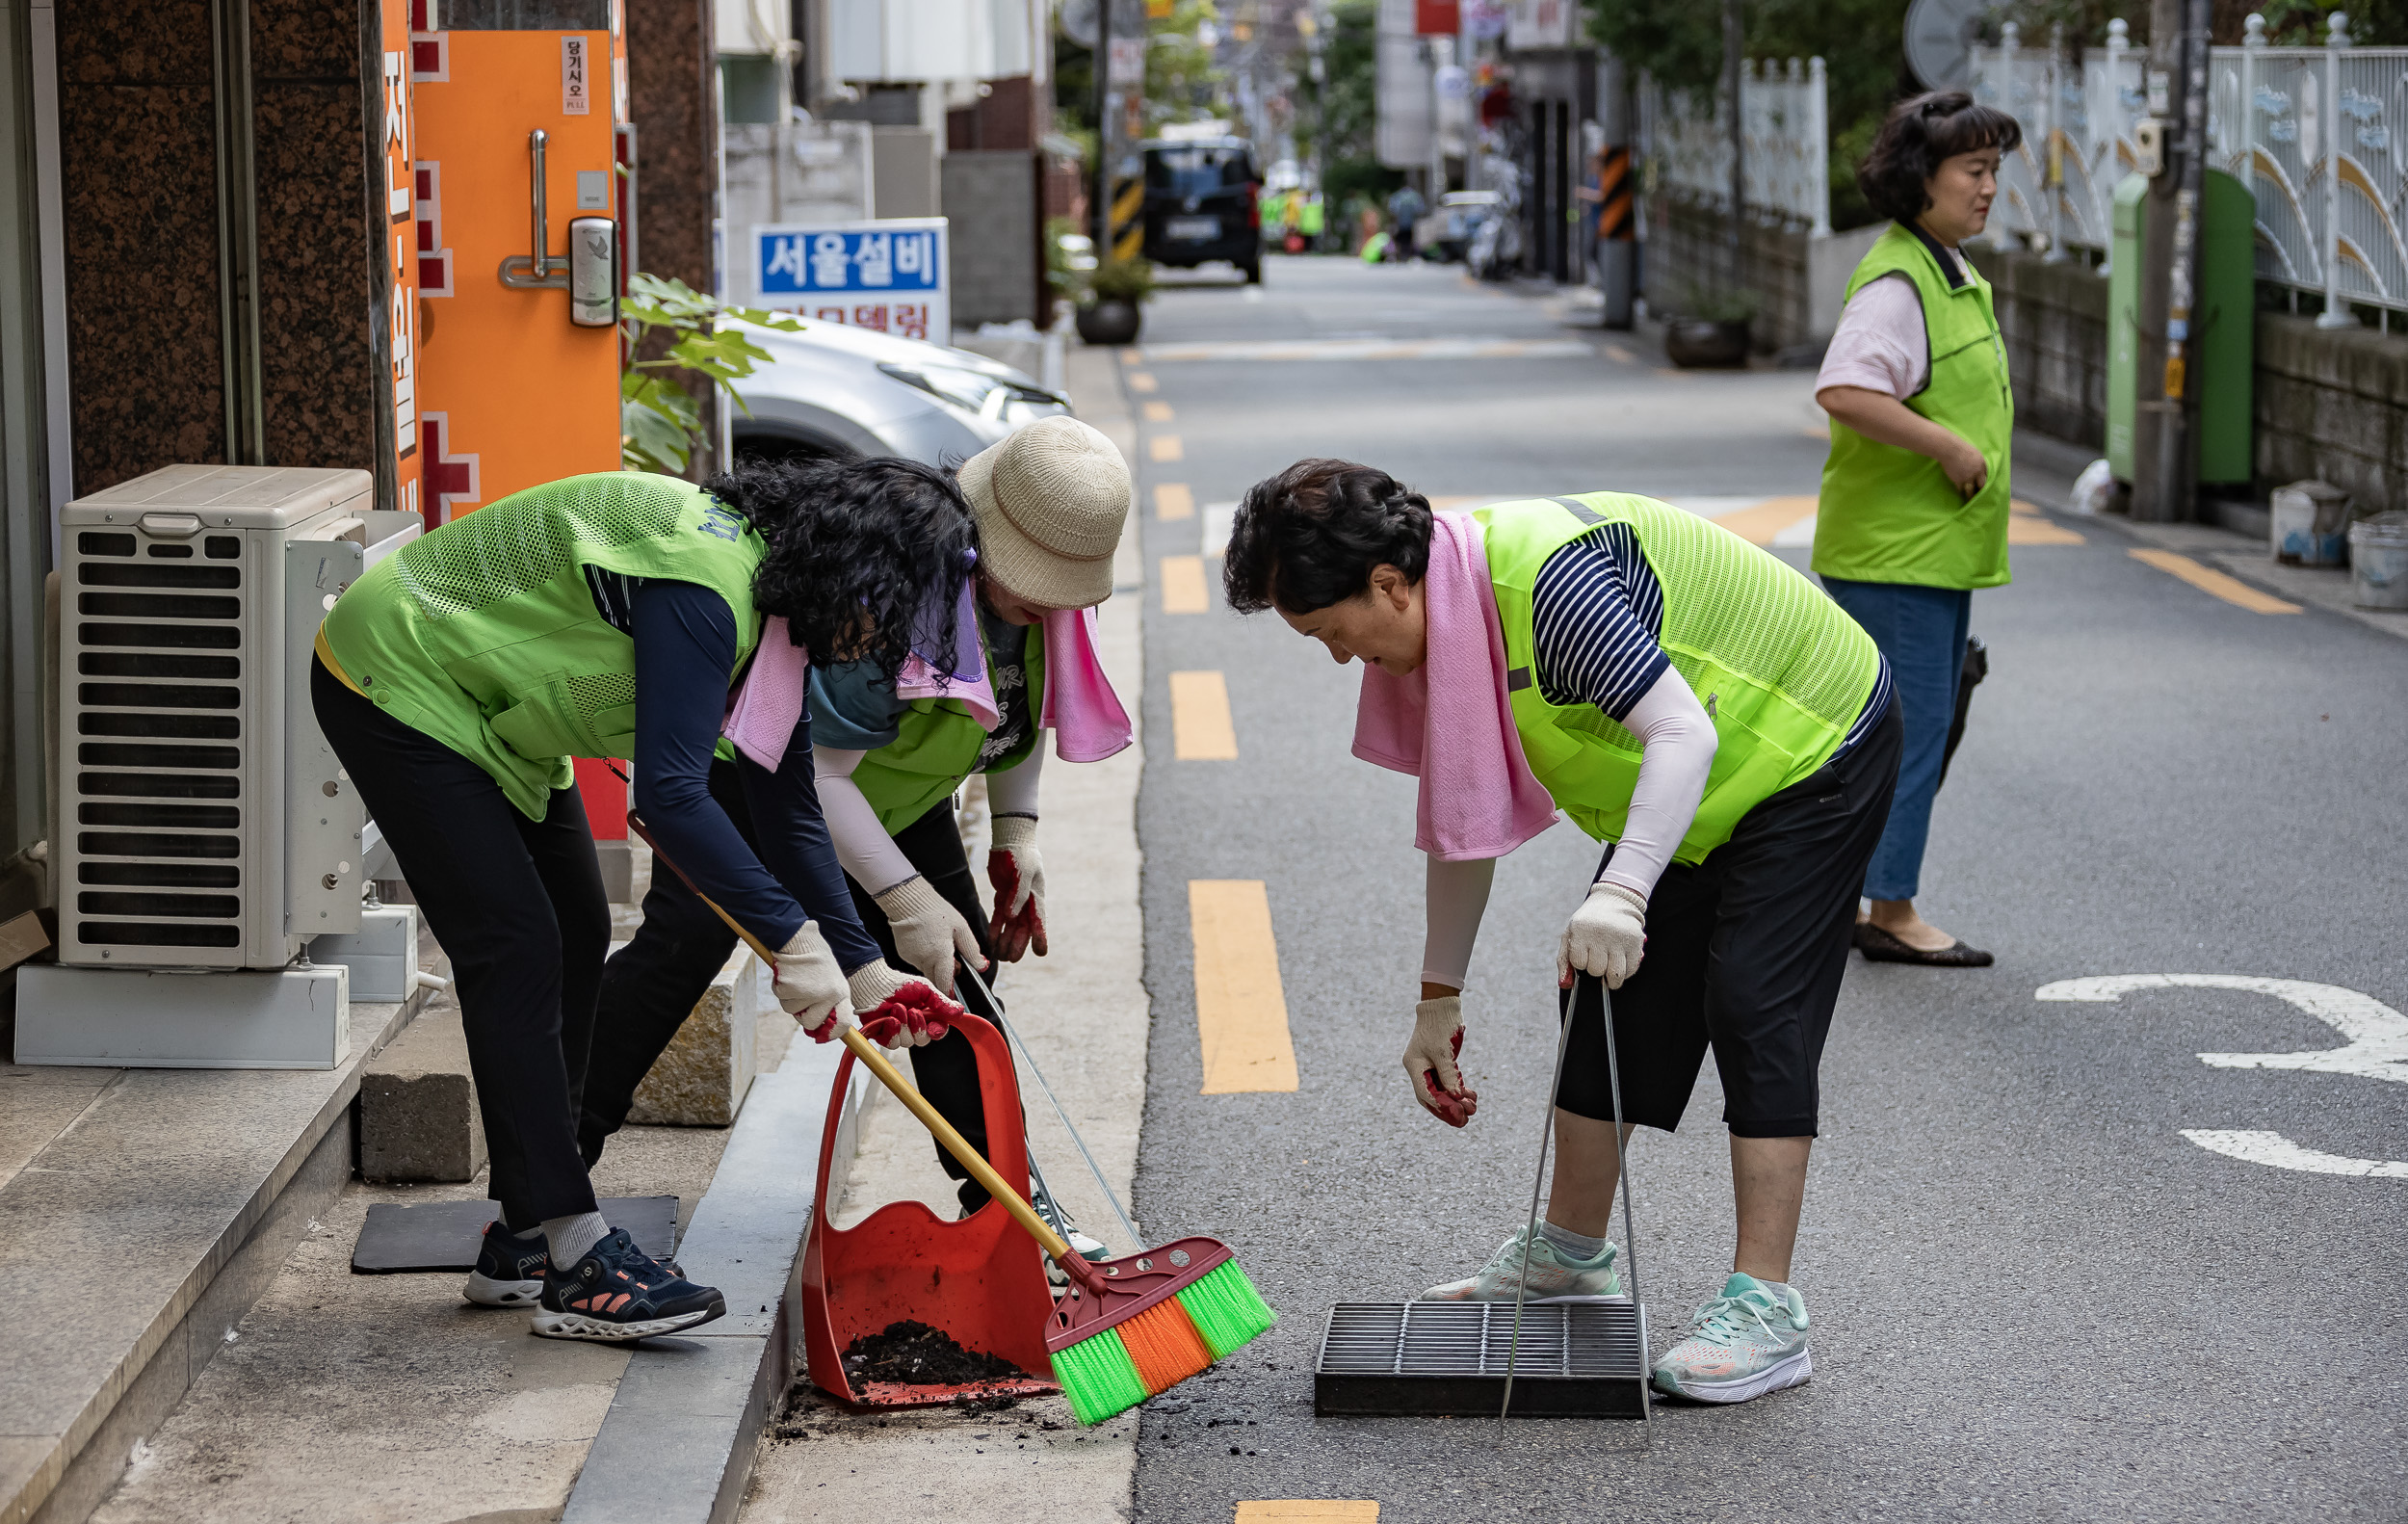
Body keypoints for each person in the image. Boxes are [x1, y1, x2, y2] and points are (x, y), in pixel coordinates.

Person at [1222, 461, 1901, 1406]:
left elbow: (1683, 734)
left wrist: (1622, 890)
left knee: (1750, 994)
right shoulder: (1447, 627)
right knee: (1604, 982)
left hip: (1810, 740)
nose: (1341, 658)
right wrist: (1436, 997)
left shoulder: (1545, 589)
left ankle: (1768, 1308)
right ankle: (1571, 1260)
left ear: (1388, 581)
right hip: (1703, 777)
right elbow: (1462, 816)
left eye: (1335, 633)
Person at [314, 461, 966, 1342]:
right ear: (858, 572)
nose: (885, 640)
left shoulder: (776, 616)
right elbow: (669, 796)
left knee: (577, 930)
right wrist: (787, 939)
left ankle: (522, 1237)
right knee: (517, 944)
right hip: (400, 671)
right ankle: (576, 1258)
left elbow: (789, 801)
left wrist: (864, 964)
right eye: (891, 610)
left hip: (495, 713)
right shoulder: (707, 586)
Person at [578, 418, 1133, 1232]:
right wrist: (901, 901)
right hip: (761, 781)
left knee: (961, 977)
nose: (1046, 600)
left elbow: (1022, 712)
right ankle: (555, 1176)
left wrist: (1017, 831)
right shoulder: (887, 583)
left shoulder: (1050, 602)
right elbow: (819, 778)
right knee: (678, 956)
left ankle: (1009, 1208)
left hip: (897, 806)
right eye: (1033, 578)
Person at [1814, 90, 2022, 966]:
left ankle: (1871, 898)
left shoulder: (1943, 270)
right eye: (1973, 171)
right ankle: (1886, 908)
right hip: (1898, 556)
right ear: (1921, 177)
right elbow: (1847, 387)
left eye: (1993, 171)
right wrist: (1945, 445)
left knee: (1910, 728)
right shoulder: (1902, 280)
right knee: (1909, 731)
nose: (1988, 188)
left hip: (1928, 552)